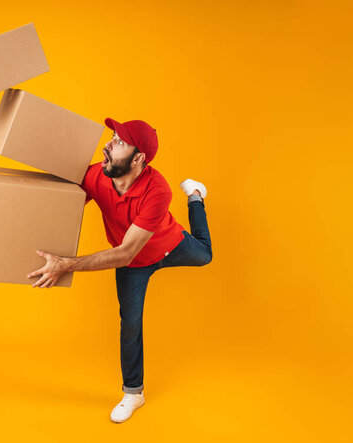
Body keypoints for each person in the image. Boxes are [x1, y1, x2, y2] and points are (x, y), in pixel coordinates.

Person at [27, 118, 213, 423]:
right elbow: (60, 206)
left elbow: (125, 252)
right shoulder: (94, 176)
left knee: (205, 255)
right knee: (130, 323)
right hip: (135, 265)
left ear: (138, 158)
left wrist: (67, 265)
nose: (108, 145)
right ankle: (133, 392)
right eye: (112, 138)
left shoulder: (158, 190)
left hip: (167, 245)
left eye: (120, 143)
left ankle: (195, 196)